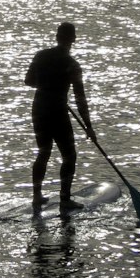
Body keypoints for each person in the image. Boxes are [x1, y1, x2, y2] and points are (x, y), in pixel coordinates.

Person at [25, 21, 95, 215]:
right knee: (69, 155)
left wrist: (47, 86)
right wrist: (89, 127)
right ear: (73, 39)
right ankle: (65, 199)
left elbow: (28, 81)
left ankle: (36, 196)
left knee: (43, 152)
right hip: (57, 111)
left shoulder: (40, 56)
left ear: (57, 37)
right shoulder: (72, 65)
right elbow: (80, 99)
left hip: (39, 108)